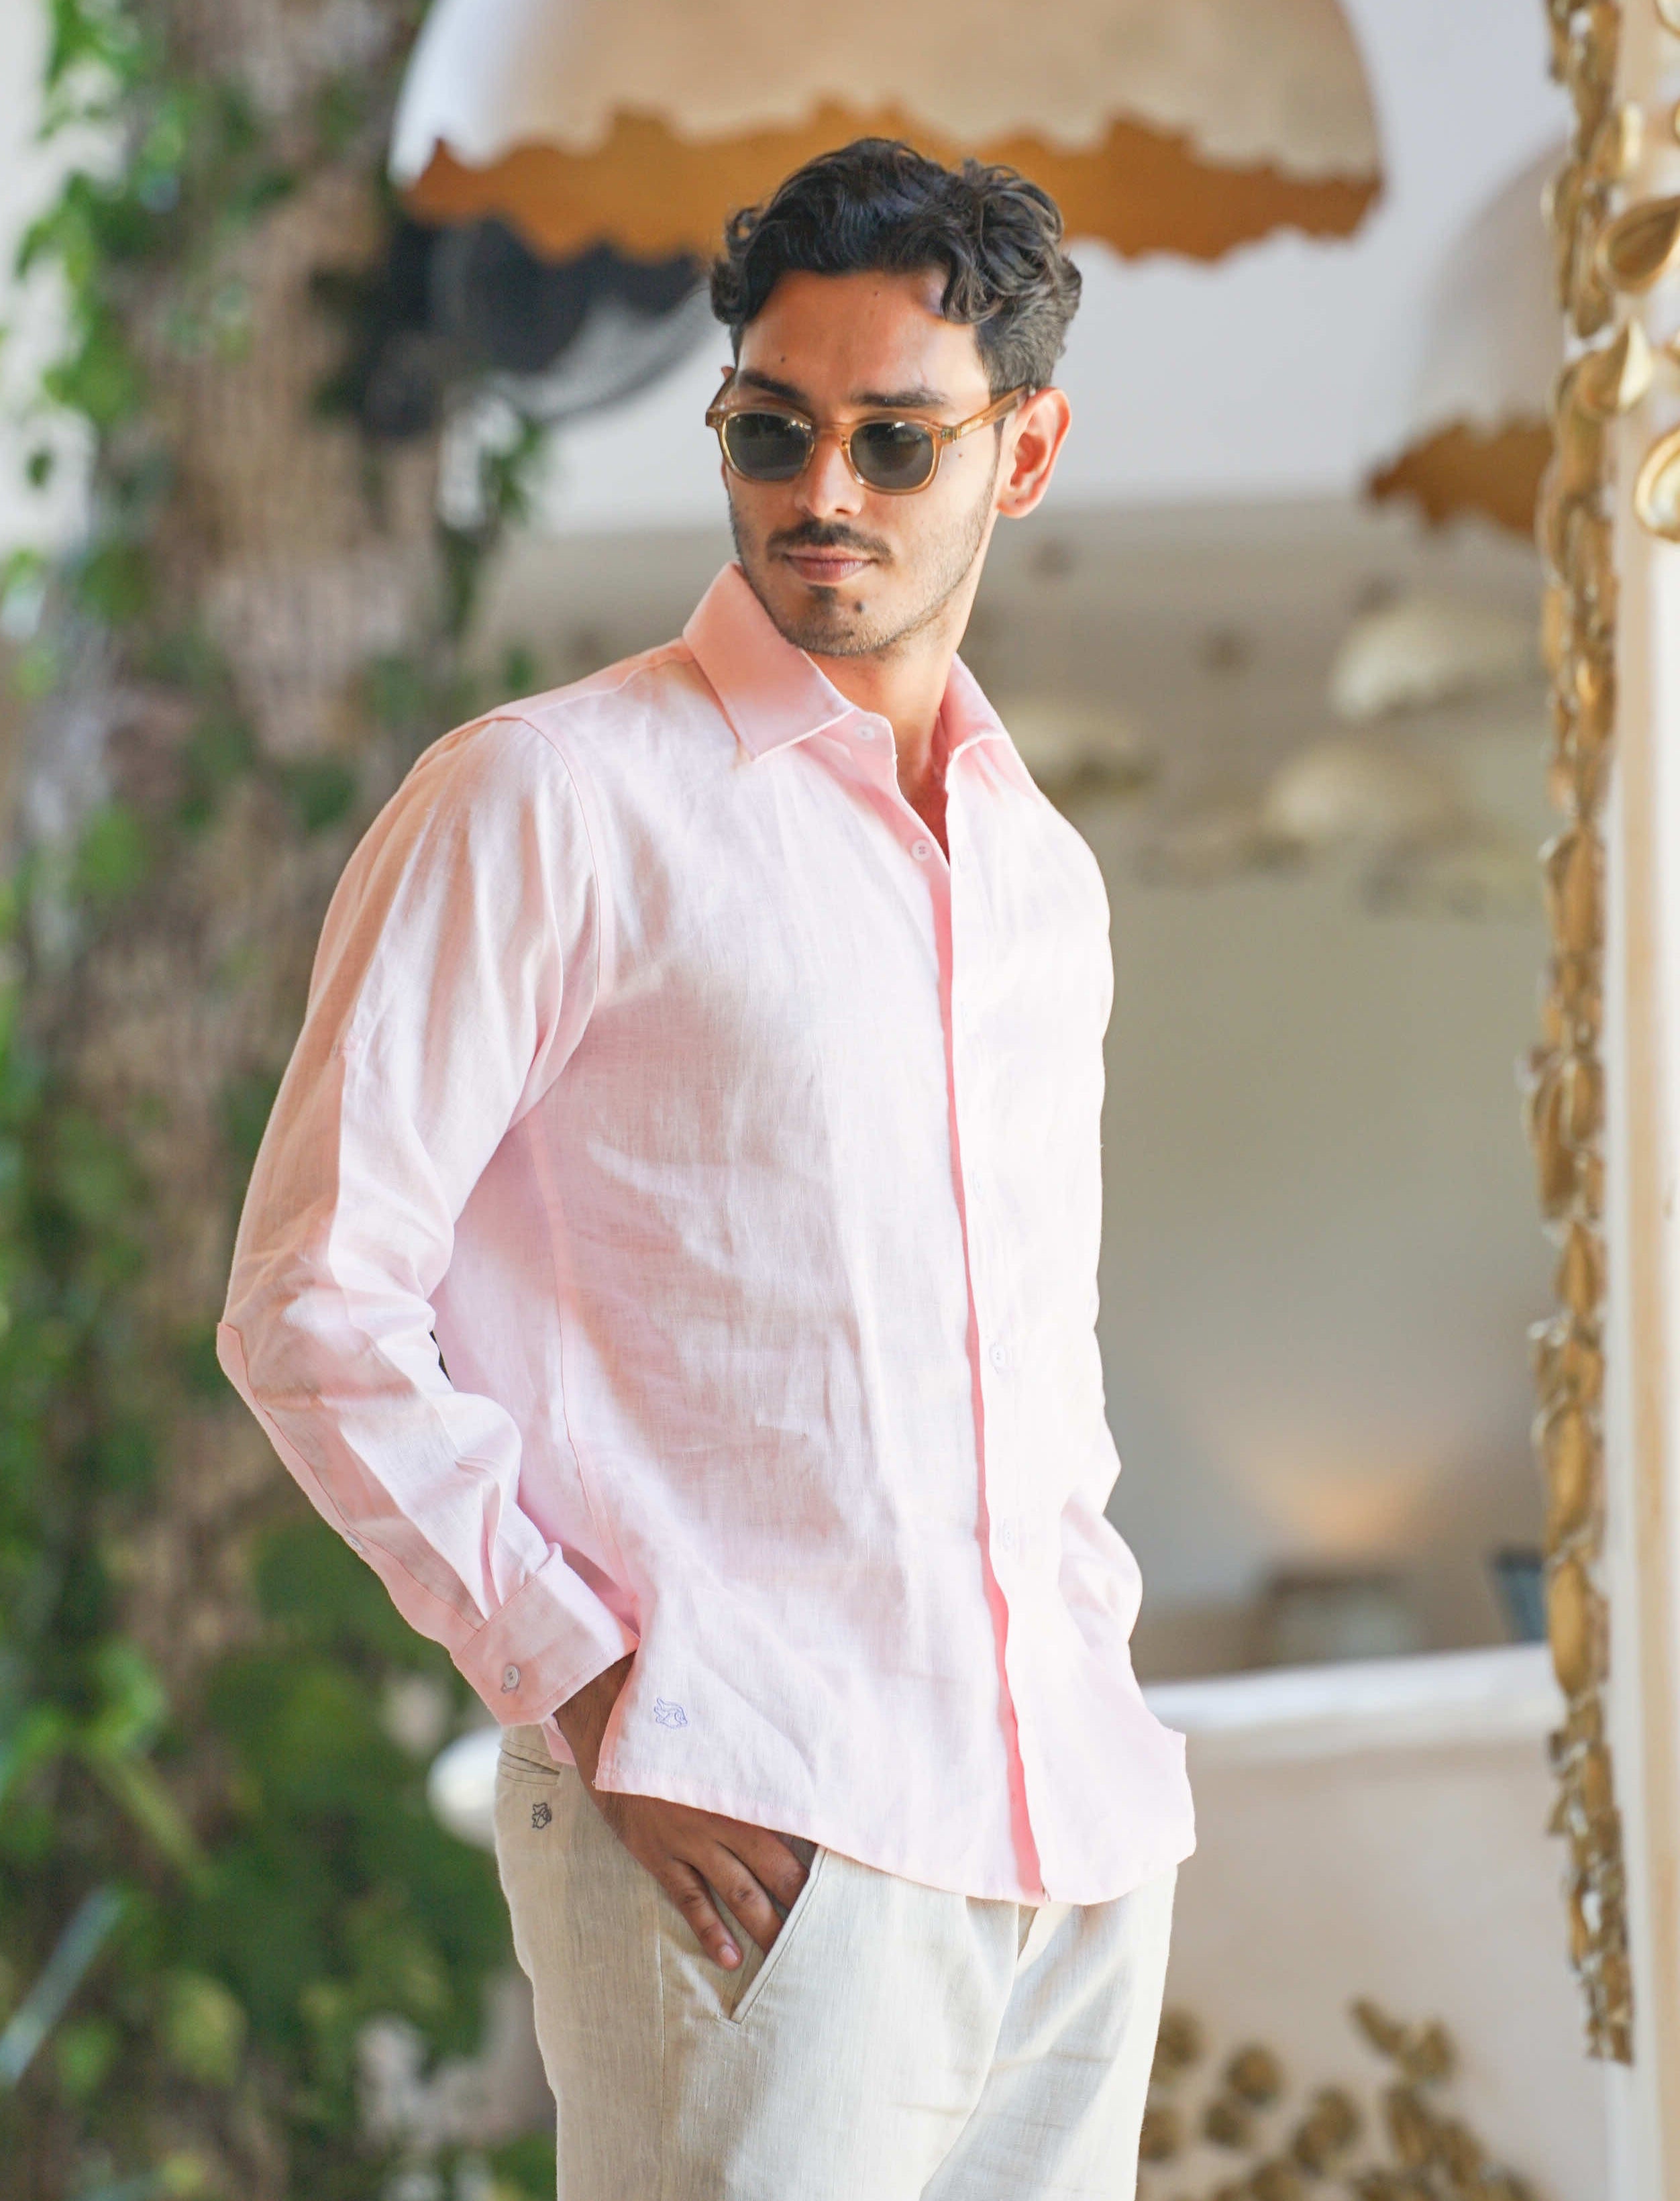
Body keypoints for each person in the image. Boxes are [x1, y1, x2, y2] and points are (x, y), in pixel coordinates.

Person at [219, 137, 1194, 2201]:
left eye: (895, 441)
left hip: (1072, 1849)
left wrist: (1099, 1696)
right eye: (770, 429)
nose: (821, 490)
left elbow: (1037, 1360)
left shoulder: (1040, 872)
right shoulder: (551, 799)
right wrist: (588, 1688)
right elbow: (312, 1305)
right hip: (745, 1831)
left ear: (1024, 454)